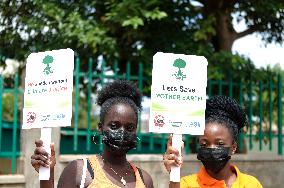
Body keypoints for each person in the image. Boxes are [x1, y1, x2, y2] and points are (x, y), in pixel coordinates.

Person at [31, 80, 154, 188]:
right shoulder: (80, 171)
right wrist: (47, 174)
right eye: (114, 126)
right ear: (100, 127)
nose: (122, 132)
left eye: (130, 127)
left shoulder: (145, 180)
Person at [164, 95, 263, 188]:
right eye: (204, 144)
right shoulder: (187, 184)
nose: (211, 148)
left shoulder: (251, 184)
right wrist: (174, 174)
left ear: (233, 147)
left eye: (219, 143)